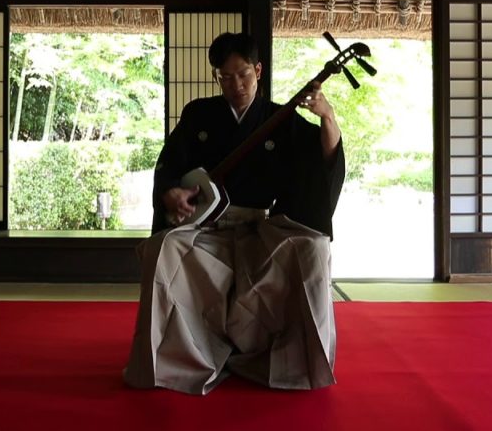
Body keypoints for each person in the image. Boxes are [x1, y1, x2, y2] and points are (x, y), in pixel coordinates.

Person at [123, 32, 345, 395]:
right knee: (164, 248)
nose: (236, 84)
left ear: (258, 70)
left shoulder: (279, 118)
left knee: (313, 249)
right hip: (207, 230)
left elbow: (324, 162)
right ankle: (171, 361)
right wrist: (171, 194)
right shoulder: (199, 115)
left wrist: (327, 116)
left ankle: (294, 361)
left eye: (243, 74)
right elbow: (169, 167)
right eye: (225, 77)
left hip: (261, 230)